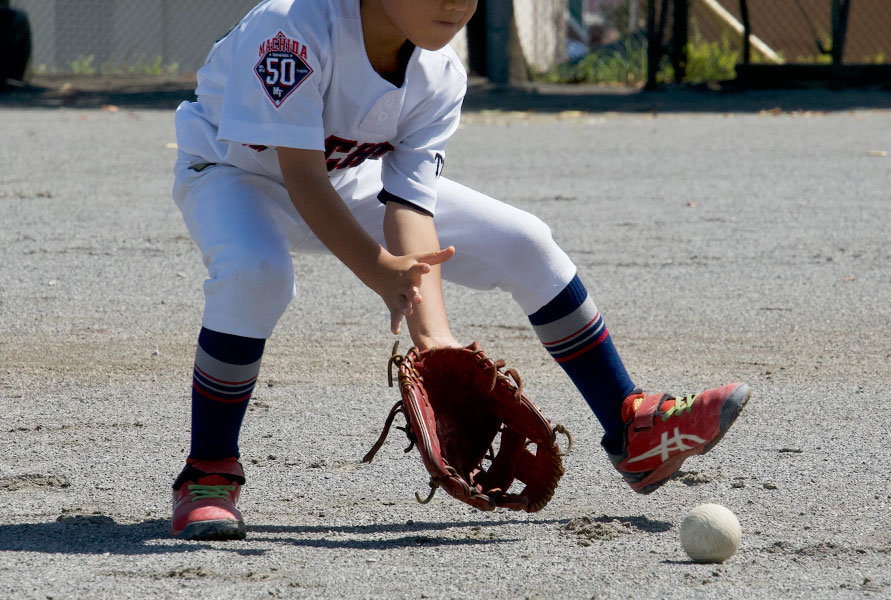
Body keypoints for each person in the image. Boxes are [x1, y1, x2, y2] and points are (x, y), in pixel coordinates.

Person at [170, 0, 750, 541]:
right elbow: (302, 178)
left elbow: (409, 206)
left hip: (347, 182)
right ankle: (209, 470)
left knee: (525, 241)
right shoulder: (292, 29)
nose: (455, 3)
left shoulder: (440, 72)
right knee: (257, 273)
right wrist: (378, 268)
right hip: (229, 173)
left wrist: (436, 342)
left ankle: (631, 425)